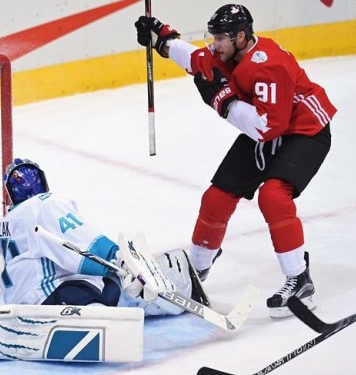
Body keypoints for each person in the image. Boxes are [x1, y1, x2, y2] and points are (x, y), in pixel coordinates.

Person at [135, 4, 337, 317]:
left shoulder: (269, 66)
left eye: (220, 38)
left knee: (273, 196)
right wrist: (161, 39)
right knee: (216, 198)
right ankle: (197, 272)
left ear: (241, 37)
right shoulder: (227, 51)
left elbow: (268, 128)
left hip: (305, 131)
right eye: (213, 37)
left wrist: (224, 102)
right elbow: (195, 60)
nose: (214, 44)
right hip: (268, 127)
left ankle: (299, 280)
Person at [0, 157, 207, 316]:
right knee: (123, 289)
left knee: (114, 284)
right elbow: (80, 238)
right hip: (49, 297)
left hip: (17, 303)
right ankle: (181, 282)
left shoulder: (3, 224)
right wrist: (118, 258)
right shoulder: (44, 205)